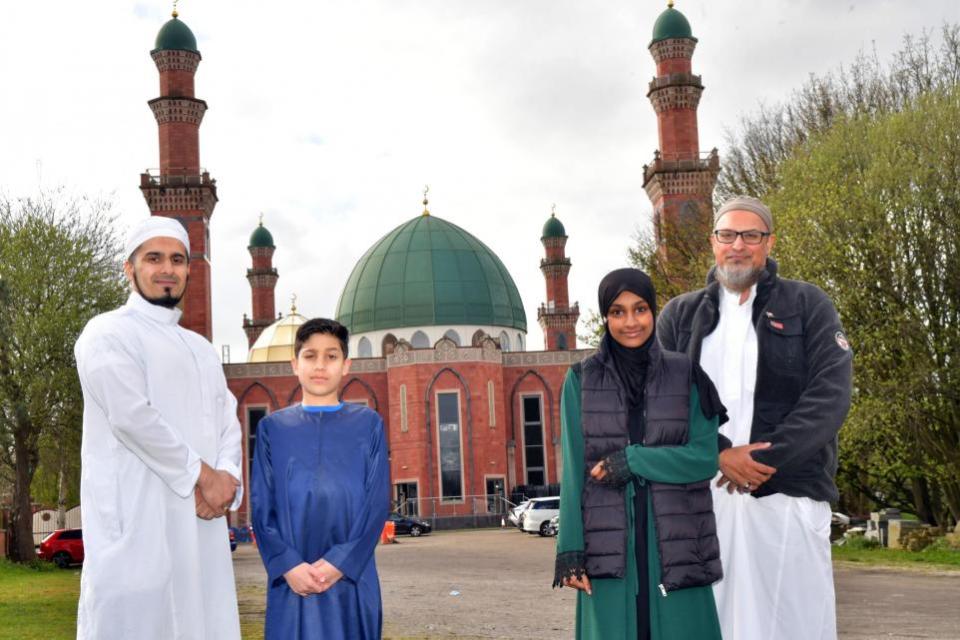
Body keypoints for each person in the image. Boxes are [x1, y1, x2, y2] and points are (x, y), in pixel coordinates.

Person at [657, 195, 853, 640]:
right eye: (728, 235)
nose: (738, 245)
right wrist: (720, 455)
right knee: (709, 622)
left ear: (769, 242)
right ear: (713, 242)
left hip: (786, 495)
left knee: (794, 622)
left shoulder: (809, 305)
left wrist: (764, 459)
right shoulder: (680, 316)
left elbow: (830, 394)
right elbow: (662, 402)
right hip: (703, 496)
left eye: (751, 235)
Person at [74, 217, 242, 640]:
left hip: (201, 529)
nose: (167, 268)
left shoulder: (201, 350)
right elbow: (133, 417)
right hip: (136, 528)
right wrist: (205, 477)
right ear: (129, 269)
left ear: (189, 270)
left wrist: (228, 481)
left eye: (177, 259)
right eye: (154, 258)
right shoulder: (107, 333)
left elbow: (228, 421)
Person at [554, 268, 726, 640]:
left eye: (640, 309)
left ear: (654, 311)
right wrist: (570, 550)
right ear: (605, 317)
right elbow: (573, 473)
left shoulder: (686, 375)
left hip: (677, 545)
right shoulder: (580, 380)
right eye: (618, 312)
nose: (630, 322)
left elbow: (704, 457)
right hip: (610, 548)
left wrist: (633, 460)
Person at [251, 318, 390, 640]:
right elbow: (262, 507)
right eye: (310, 356)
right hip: (293, 582)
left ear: (346, 366)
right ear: (295, 365)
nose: (320, 365)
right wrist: (288, 565)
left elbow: (376, 503)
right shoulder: (273, 429)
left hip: (351, 579)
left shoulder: (369, 425)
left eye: (331, 356)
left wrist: (340, 563)